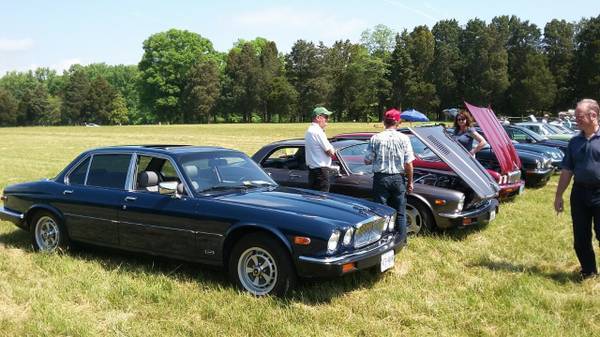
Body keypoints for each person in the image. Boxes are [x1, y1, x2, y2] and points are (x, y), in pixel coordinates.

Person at [554, 98, 600, 279]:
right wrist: (558, 196)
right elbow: (567, 170)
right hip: (579, 193)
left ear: (593, 115)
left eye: (579, 116)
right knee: (581, 237)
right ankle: (589, 272)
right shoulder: (574, 142)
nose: (575, 120)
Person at [364, 109, 415, 244]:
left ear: (384, 121)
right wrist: (410, 182)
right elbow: (409, 163)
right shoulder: (404, 138)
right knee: (400, 212)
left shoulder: (375, 138)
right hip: (398, 178)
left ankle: (381, 241)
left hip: (381, 178)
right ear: (398, 122)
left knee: (381, 212)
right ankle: (402, 241)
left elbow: (367, 160)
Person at [305, 106, 335, 192]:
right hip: (321, 171)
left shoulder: (309, 130)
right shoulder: (317, 131)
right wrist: (332, 150)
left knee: (314, 199)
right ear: (318, 117)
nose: (327, 119)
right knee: (322, 199)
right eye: (326, 117)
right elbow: (330, 152)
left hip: (313, 171)